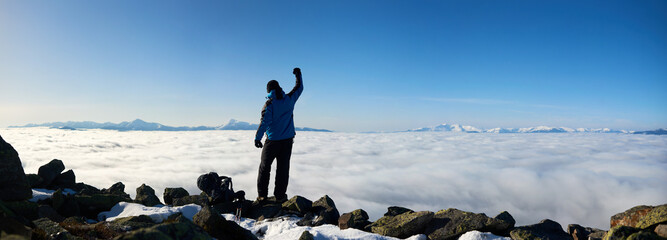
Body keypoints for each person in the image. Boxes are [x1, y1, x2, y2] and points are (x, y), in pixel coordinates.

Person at [254, 67, 303, 202]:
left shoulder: (269, 105)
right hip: (287, 141)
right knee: (283, 169)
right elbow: (299, 88)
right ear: (279, 87)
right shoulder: (289, 99)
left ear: (268, 91)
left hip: (272, 142)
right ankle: (280, 196)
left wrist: (257, 139)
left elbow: (264, 122)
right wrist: (298, 75)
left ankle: (262, 196)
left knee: (264, 168)